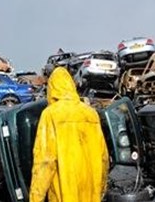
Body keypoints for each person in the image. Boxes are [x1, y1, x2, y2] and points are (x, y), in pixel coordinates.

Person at [29, 67, 109, 202]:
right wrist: (101, 188)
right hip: (90, 191)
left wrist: (36, 197)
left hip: (64, 193)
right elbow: (103, 157)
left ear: (52, 88)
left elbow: (45, 161)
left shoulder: (50, 115)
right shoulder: (91, 113)